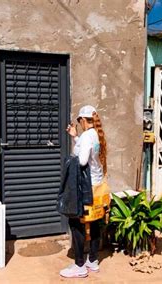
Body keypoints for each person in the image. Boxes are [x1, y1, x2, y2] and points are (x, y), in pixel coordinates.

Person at [60, 105, 108, 278]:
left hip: (86, 188)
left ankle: (79, 266)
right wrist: (75, 138)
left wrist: (75, 146)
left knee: (76, 223)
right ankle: (92, 261)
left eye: (79, 121)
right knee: (94, 223)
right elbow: (89, 152)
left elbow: (81, 161)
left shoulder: (88, 136)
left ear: (82, 120)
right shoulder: (96, 134)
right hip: (98, 186)